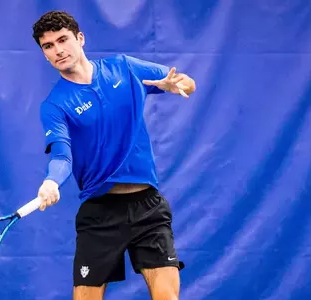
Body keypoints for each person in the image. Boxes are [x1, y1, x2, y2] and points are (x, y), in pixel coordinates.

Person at [32, 10, 195, 300]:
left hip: (148, 207)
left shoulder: (124, 68)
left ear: (80, 39)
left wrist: (179, 84)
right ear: (44, 54)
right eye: (48, 46)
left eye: (62, 40)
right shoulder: (55, 106)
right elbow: (62, 155)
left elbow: (186, 82)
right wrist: (51, 181)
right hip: (99, 213)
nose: (58, 50)